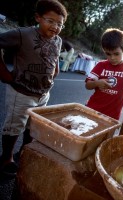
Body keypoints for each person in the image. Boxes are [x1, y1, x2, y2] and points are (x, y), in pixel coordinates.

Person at [0, 0, 67, 177]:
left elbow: (55, 57)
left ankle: (23, 152)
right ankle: (6, 158)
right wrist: (4, 73)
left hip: (43, 94)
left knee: (33, 127)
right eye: (50, 21)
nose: (55, 26)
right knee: (14, 126)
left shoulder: (58, 40)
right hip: (21, 92)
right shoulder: (23, 34)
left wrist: (56, 70)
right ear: (38, 17)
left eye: (60, 23)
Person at [85, 28, 123, 120]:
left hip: (112, 115)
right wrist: (97, 83)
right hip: (92, 109)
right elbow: (88, 85)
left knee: (107, 134)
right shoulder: (101, 65)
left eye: (116, 54)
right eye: (108, 54)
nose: (112, 58)